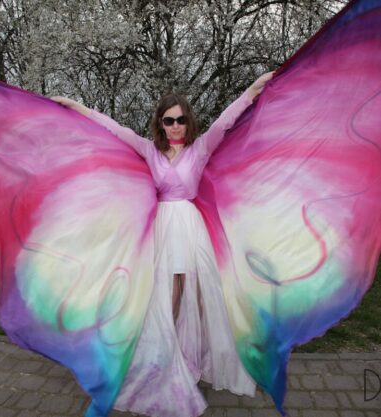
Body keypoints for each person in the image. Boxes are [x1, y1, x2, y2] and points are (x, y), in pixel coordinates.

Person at [51, 71, 273, 417]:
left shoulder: (201, 148)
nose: (175, 126)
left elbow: (225, 121)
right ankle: (163, 364)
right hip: (163, 229)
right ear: (160, 123)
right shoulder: (149, 150)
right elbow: (114, 129)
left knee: (196, 296)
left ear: (188, 121)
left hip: (190, 230)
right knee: (166, 298)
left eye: (181, 120)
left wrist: (254, 88)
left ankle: (189, 358)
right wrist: (76, 106)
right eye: (169, 120)